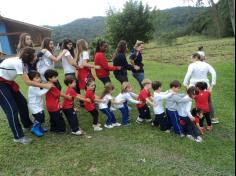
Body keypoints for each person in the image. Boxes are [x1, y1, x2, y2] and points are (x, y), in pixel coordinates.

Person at [0, 47, 53, 144]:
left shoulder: (23, 63)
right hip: (1, 84)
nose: (36, 57)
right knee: (11, 110)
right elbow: (28, 82)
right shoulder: (19, 63)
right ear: (29, 56)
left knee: (22, 103)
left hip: (8, 82)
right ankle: (18, 137)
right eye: (35, 55)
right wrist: (45, 85)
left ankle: (27, 125)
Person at [183, 52, 218, 124]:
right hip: (205, 86)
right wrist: (212, 86)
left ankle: (187, 116)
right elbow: (214, 73)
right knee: (208, 101)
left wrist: (186, 84)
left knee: (189, 100)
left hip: (193, 86)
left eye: (192, 58)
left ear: (196, 57)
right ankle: (212, 118)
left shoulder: (192, 65)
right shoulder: (206, 64)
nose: (191, 60)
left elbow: (188, 74)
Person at [44, 69, 71, 133]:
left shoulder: (46, 84)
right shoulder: (52, 86)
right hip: (54, 105)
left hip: (49, 105)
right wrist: (67, 96)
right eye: (55, 77)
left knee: (53, 117)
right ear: (49, 78)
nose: (56, 78)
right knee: (58, 118)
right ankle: (61, 129)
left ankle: (53, 128)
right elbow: (59, 93)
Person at [28, 71, 49, 137]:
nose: (39, 79)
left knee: (40, 117)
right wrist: (48, 87)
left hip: (38, 104)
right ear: (31, 80)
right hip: (34, 105)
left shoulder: (37, 85)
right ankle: (35, 128)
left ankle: (39, 127)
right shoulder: (32, 87)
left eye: (39, 77)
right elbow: (40, 93)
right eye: (36, 78)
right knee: (40, 117)